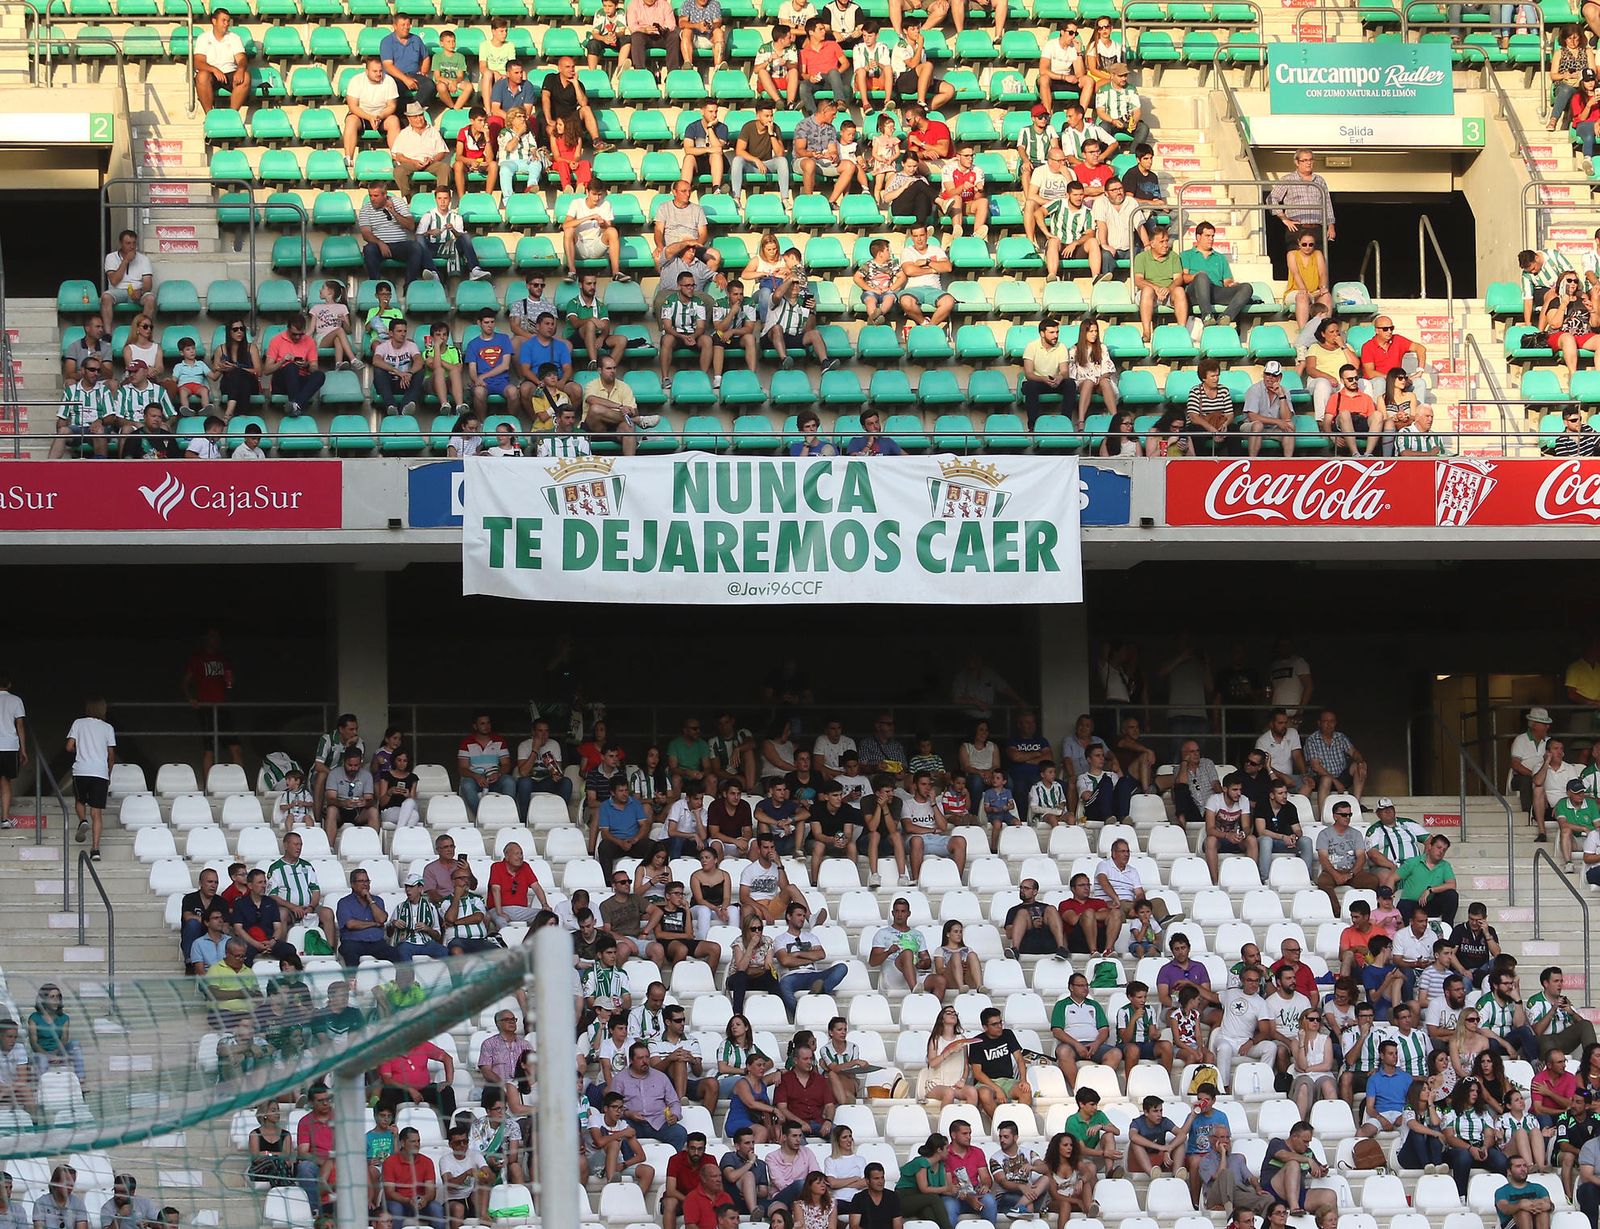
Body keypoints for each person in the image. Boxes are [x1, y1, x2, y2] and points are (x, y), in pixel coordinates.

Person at [1132, 227, 1191, 345]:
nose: (1166, 245)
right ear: (1152, 243)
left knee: (1179, 290)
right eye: (1162, 241)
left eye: (1166, 241)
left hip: (1169, 292)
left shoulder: (1173, 256)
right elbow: (1138, 280)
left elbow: (1178, 279)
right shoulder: (1141, 257)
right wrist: (1156, 288)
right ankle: (1147, 332)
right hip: (1149, 295)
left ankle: (1182, 331)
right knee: (1147, 290)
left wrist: (1168, 289)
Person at [1269, 148, 1335, 250]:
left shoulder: (1319, 180)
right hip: (1297, 228)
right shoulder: (1288, 179)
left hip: (1317, 228)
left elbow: (1327, 203)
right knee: (1296, 261)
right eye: (1304, 160)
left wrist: (1331, 226)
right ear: (1297, 162)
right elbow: (1271, 198)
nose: (1308, 163)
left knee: (1318, 261)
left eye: (1310, 160)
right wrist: (1284, 219)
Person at [99, 229, 156, 334]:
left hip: (137, 290)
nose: (132, 246)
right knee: (105, 297)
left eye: (134, 243)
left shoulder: (143, 259)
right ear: (121, 244)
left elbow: (148, 283)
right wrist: (125, 261)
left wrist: (141, 291)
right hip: (118, 290)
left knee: (150, 298)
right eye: (128, 243)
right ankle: (107, 335)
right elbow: (114, 281)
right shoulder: (111, 257)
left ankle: (144, 332)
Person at [193, 6, 249, 111]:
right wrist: (214, 69)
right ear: (214, 21)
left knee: (245, 77)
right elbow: (198, 62)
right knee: (202, 76)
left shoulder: (234, 38)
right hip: (211, 74)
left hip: (230, 73)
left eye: (228, 21)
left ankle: (233, 115)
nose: (226, 23)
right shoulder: (203, 38)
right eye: (223, 20)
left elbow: (242, 59)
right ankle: (209, 115)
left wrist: (241, 69)